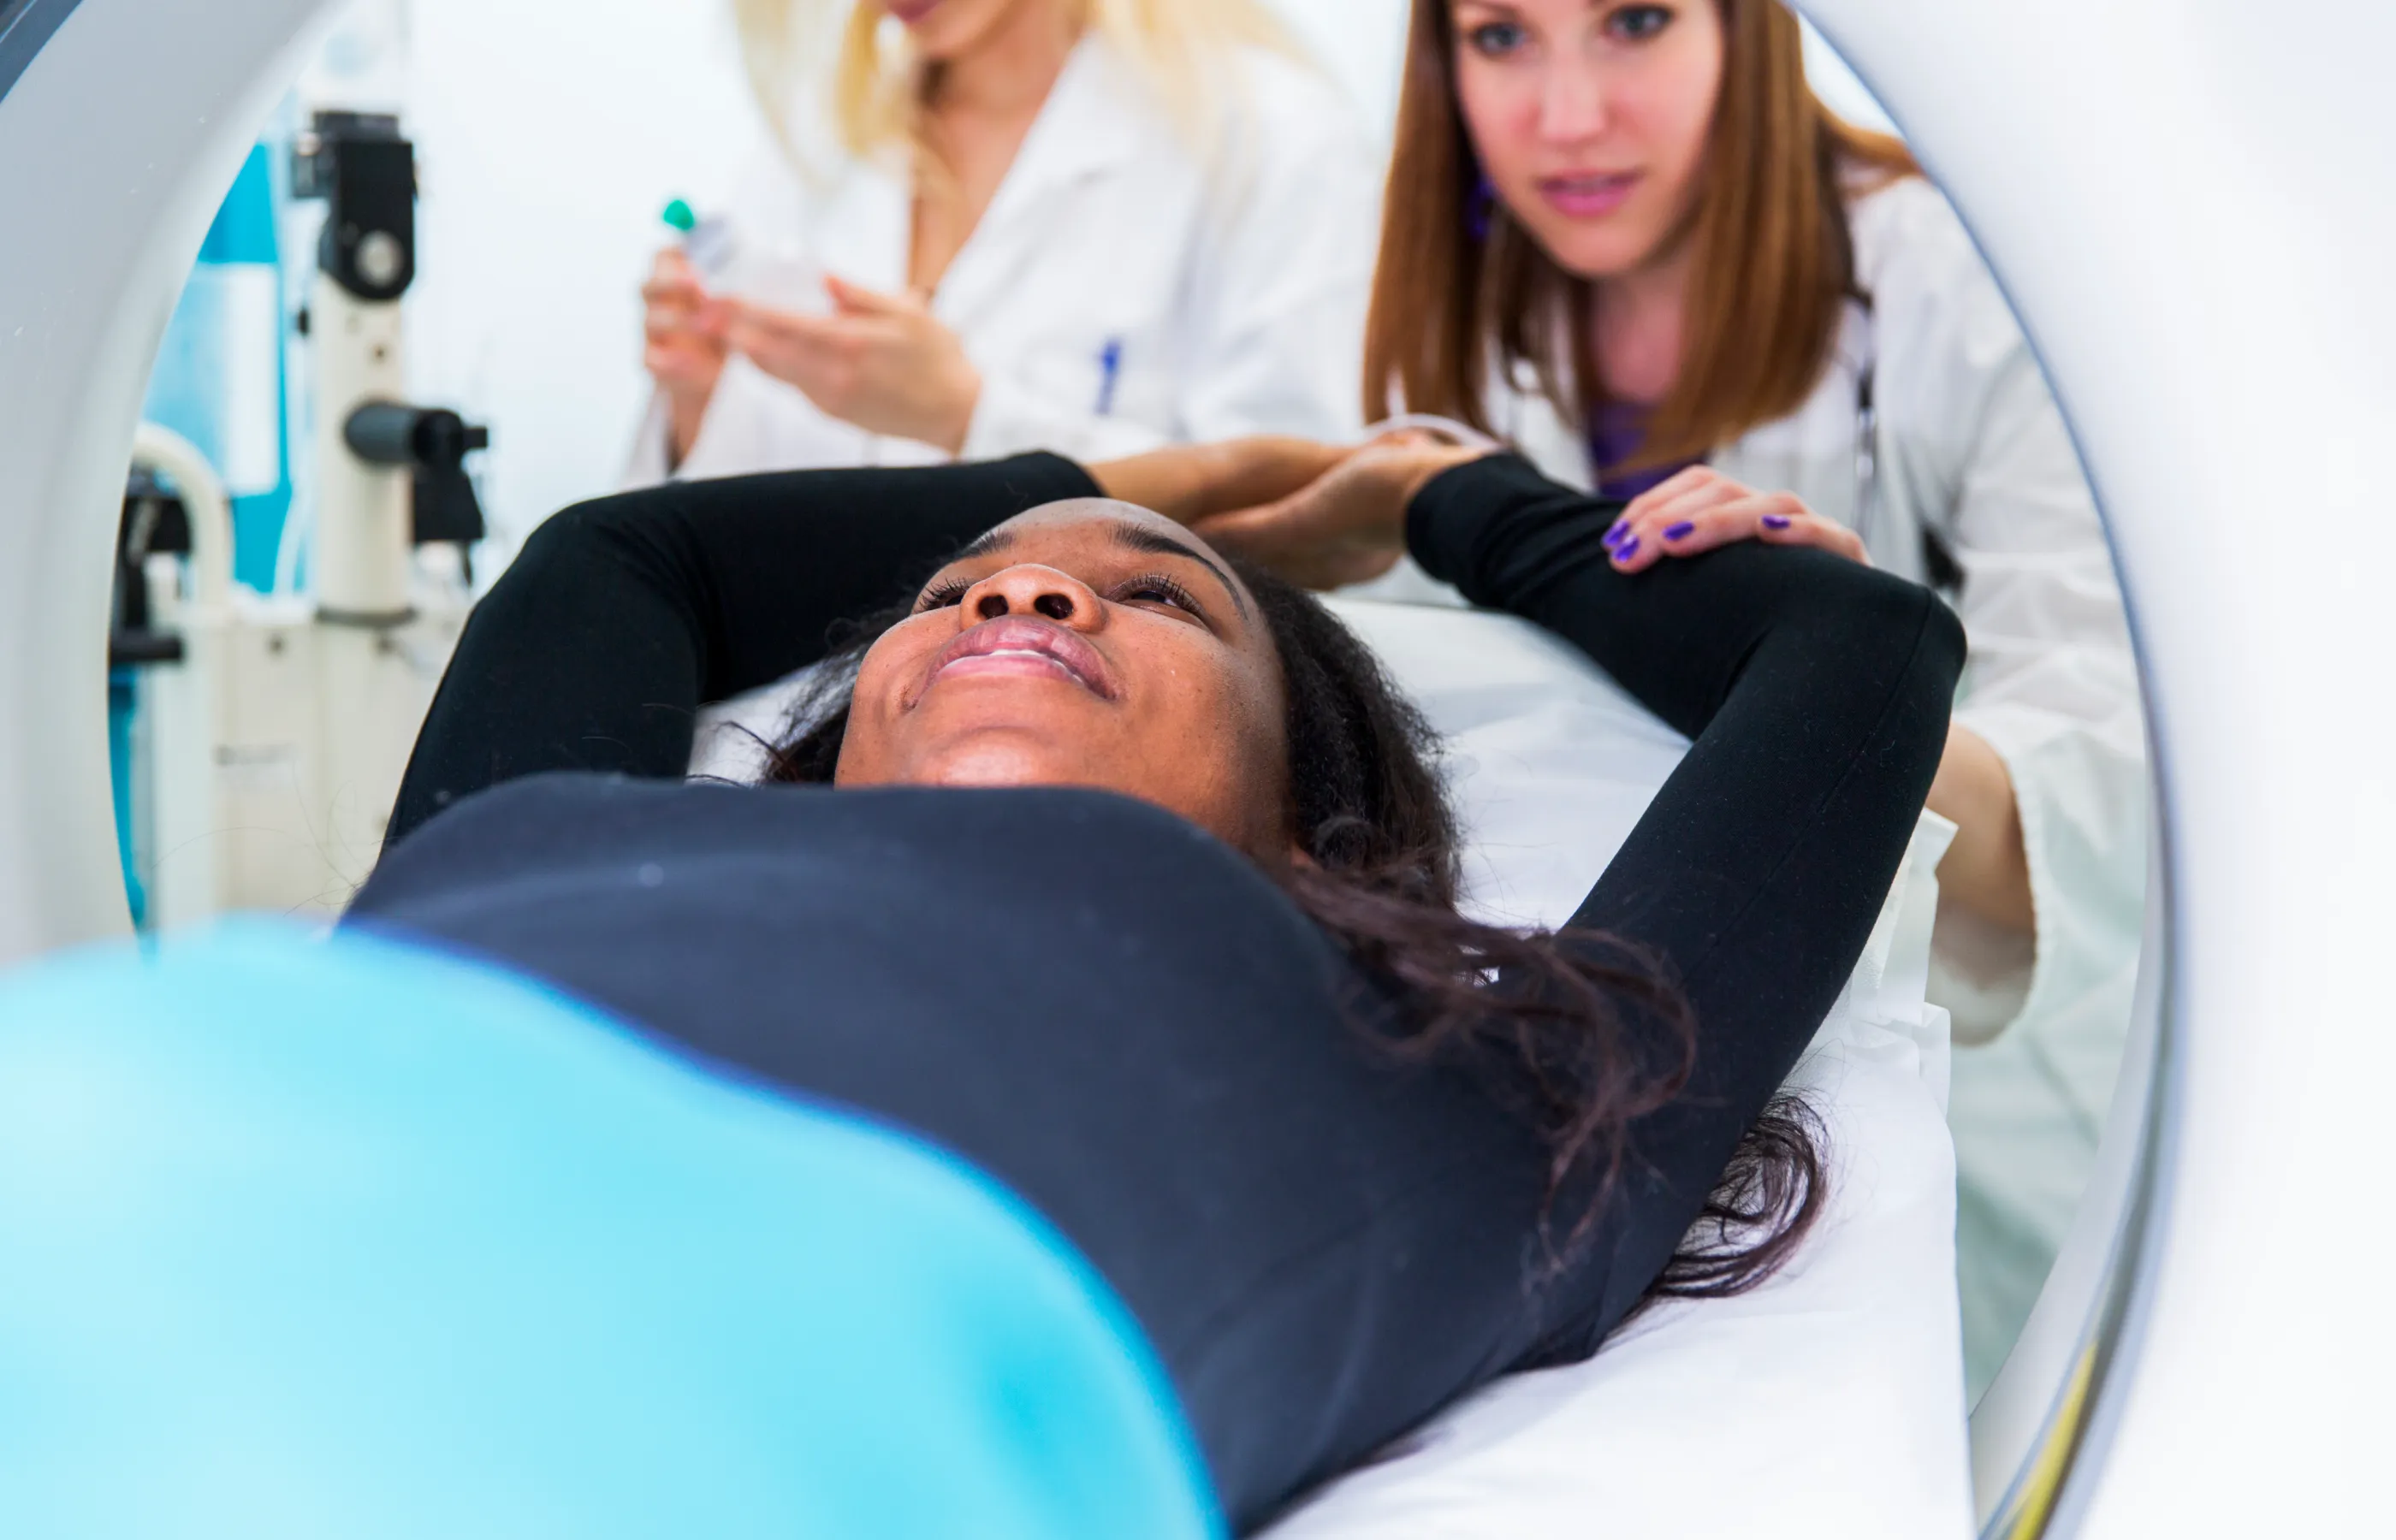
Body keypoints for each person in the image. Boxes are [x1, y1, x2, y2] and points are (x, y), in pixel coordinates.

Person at [359, 435, 1963, 1526]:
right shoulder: (558, 836)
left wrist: (1461, 502)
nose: (1016, 594)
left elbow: (1858, 655)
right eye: (953, 591)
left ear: (1305, 833)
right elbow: (625, 556)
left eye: (1159, 602)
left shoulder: (1459, 1105)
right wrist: (1212, 491)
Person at [1200, 0, 2146, 1395]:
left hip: (1999, 1116)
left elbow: (2098, 823)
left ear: (1752, 31)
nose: (1568, 116)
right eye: (1502, 37)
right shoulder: (1414, 312)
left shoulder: (1967, 282)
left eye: (1634, 20)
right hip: (1620, 1070)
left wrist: (1839, 689)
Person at [626, 0, 1377, 483]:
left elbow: (1307, 518)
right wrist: (700, 401)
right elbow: (755, 516)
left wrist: (969, 418)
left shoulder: (1270, 137)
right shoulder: (821, 147)